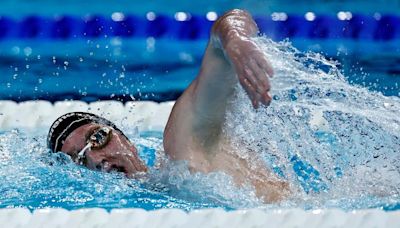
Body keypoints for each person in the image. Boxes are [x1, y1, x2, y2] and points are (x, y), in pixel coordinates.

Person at [47, 9, 290, 203]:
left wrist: (235, 38)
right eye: (77, 160)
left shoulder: (184, 153)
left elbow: (226, 28)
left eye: (98, 137)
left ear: (126, 140)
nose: (95, 159)